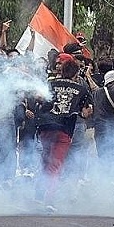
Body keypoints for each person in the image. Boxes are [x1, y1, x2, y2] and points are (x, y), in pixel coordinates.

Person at [35, 59, 92, 211]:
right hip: (64, 129)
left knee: (46, 159)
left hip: (45, 127)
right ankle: (49, 200)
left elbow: (39, 99)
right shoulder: (82, 89)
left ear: (61, 70)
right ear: (76, 73)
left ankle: (39, 192)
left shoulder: (50, 84)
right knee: (56, 164)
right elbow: (86, 112)